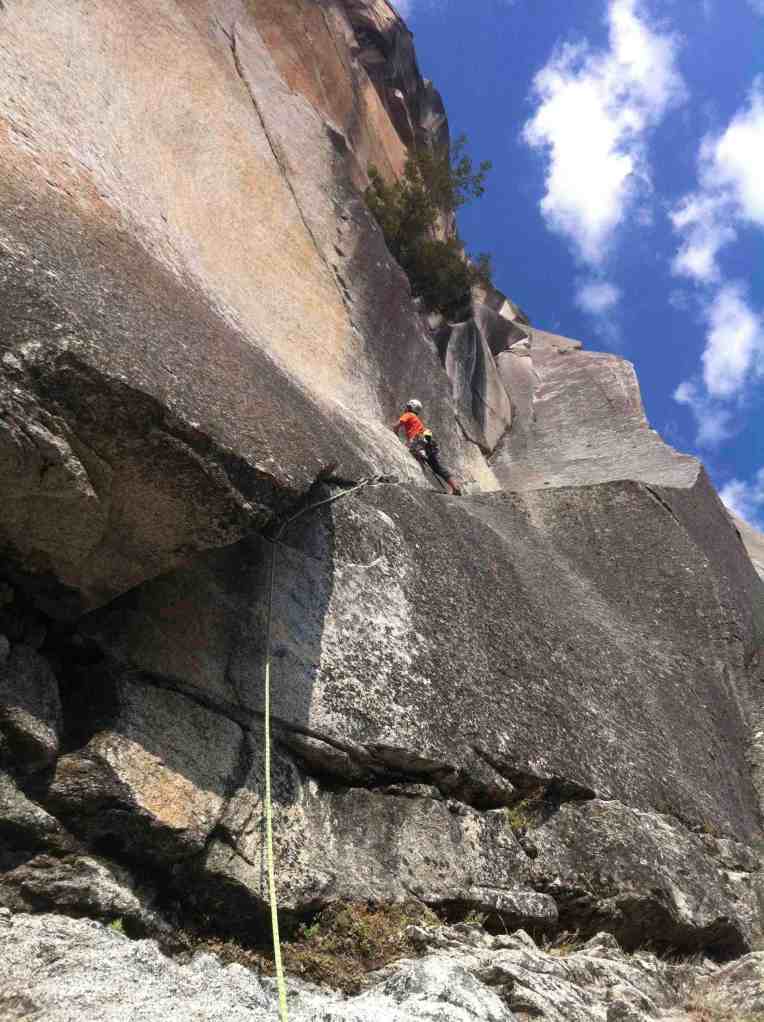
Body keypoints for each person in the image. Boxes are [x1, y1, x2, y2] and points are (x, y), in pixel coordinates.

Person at [393, 399, 462, 495]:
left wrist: (395, 437)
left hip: (419, 441)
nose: (405, 408)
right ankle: (455, 487)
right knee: (437, 467)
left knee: (417, 456)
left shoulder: (408, 414)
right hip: (428, 439)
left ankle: (420, 455)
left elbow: (396, 426)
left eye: (407, 406)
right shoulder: (416, 419)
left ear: (410, 407)